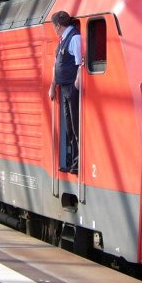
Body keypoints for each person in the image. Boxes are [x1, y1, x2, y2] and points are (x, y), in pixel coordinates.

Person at [48, 10, 83, 173]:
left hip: (71, 87)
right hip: (64, 87)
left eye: (54, 27)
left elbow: (80, 62)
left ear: (58, 25)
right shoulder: (62, 40)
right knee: (69, 127)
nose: (54, 30)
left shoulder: (75, 38)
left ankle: (77, 164)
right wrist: (52, 85)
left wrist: (76, 84)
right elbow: (56, 64)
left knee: (76, 127)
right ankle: (72, 162)